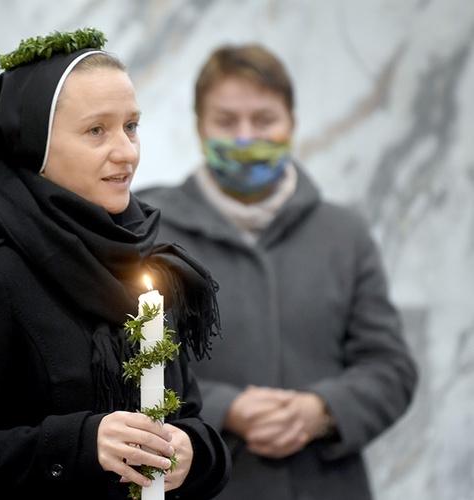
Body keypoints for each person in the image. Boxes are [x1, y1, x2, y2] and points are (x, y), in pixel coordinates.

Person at [0, 28, 231, 499]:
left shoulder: (145, 258)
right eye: (96, 130)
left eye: (132, 126)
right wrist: (80, 444)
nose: (126, 151)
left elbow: (190, 418)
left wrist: (193, 452)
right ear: (33, 145)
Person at [135, 43, 418, 500]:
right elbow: (121, 362)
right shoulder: (150, 229)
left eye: (264, 120)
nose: (245, 138)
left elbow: (390, 367)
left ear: (292, 123)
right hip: (204, 485)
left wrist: (322, 410)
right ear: (199, 127)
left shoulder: (344, 233)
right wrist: (226, 409)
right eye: (226, 122)